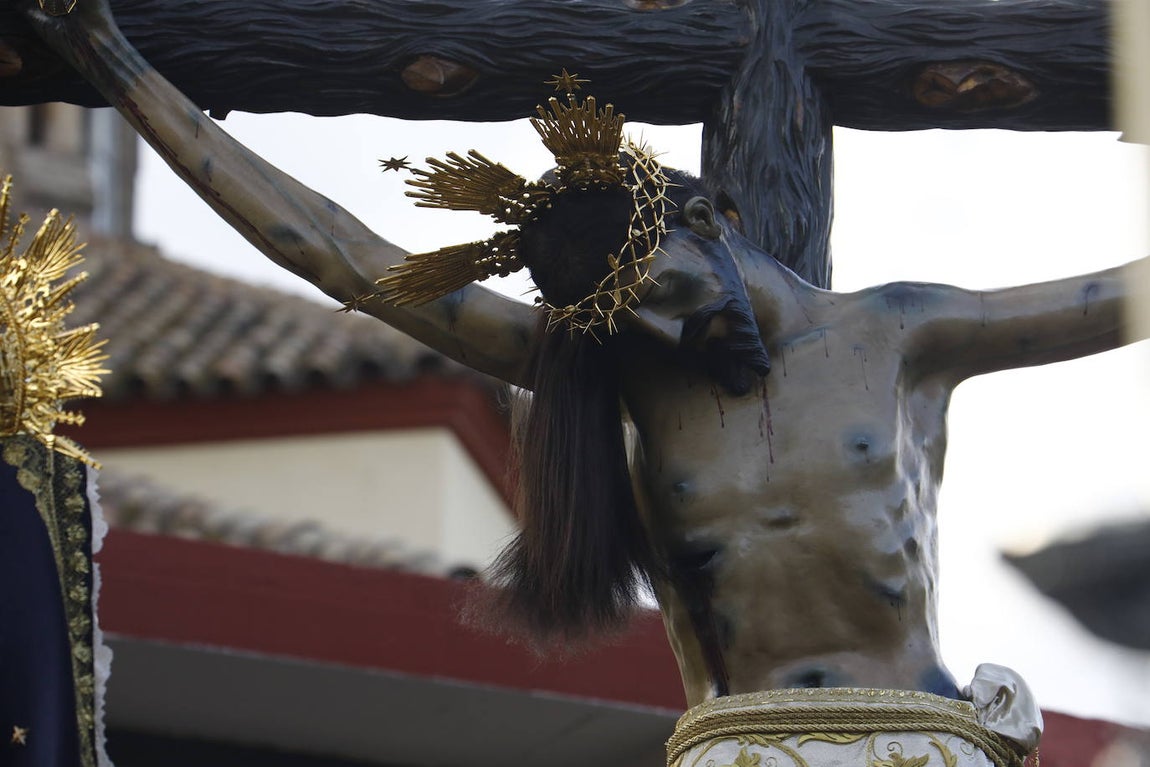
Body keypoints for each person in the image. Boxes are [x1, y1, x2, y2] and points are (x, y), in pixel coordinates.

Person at [18, 1, 1146, 765]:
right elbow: (337, 252)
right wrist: (120, 65)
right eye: (627, 323)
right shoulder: (621, 381)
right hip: (740, 741)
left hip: (920, 734)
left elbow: (1116, 295)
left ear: (709, 221)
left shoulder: (900, 332)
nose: (664, 329)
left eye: (663, 288)